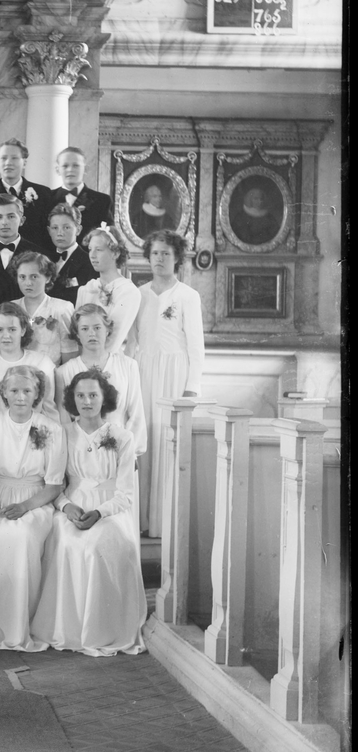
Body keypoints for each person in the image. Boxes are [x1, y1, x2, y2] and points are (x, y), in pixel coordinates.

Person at [33, 369, 146, 656]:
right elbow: (55, 484)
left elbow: (126, 495)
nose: (87, 401)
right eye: (80, 395)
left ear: (104, 397)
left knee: (98, 545)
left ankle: (101, 629)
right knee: (68, 541)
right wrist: (67, 507)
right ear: (72, 399)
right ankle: (70, 628)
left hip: (111, 509)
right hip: (73, 504)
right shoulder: (63, 434)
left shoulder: (122, 436)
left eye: (93, 395)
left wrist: (99, 512)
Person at [0, 366, 64, 652]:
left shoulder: (51, 428)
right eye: (14, 390)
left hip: (35, 498)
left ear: (37, 395)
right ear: (3, 393)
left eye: (27, 391)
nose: (20, 397)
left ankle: (19, 624)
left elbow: (54, 485)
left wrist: (25, 506)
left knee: (19, 538)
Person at [135, 229, 205, 536]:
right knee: (143, 442)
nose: (160, 258)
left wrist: (191, 389)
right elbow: (131, 341)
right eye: (155, 253)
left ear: (176, 258)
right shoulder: (138, 294)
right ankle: (142, 521)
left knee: (167, 444)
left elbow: (196, 348)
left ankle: (164, 524)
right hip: (142, 373)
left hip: (174, 376)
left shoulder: (188, 296)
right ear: (147, 257)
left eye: (166, 253)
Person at [55, 304, 147, 451]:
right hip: (81, 449)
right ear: (77, 334)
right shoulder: (65, 371)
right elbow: (64, 419)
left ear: (107, 330)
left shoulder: (128, 366)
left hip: (120, 446)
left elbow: (136, 413)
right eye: (85, 329)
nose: (92, 334)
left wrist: (131, 452)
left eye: (97, 328)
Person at [0, 301, 59, 420]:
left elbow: (49, 409)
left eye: (12, 329)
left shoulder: (42, 363)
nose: (6, 336)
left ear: (23, 330)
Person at [76, 224, 140, 356]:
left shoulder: (128, 291)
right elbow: (77, 332)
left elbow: (113, 338)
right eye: (90, 249)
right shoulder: (86, 289)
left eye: (99, 250)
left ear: (115, 253)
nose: (92, 255)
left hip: (109, 361)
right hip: (83, 359)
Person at [9, 251, 78, 366]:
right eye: (22, 277)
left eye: (34, 276)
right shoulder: (12, 308)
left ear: (48, 277)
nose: (28, 283)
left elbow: (70, 352)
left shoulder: (61, 308)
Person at [0, 138, 51, 248]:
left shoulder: (43, 193)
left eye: (14, 158)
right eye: (3, 158)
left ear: (24, 163)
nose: (8, 163)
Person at [46, 203, 95, 306]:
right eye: (55, 228)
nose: (60, 233)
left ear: (78, 230)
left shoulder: (89, 262)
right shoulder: (43, 258)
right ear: (49, 231)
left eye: (66, 227)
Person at [54, 147, 112, 232]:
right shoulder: (47, 197)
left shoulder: (102, 200)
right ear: (57, 170)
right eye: (65, 166)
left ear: (86, 169)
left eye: (76, 166)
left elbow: (106, 236)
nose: (70, 170)